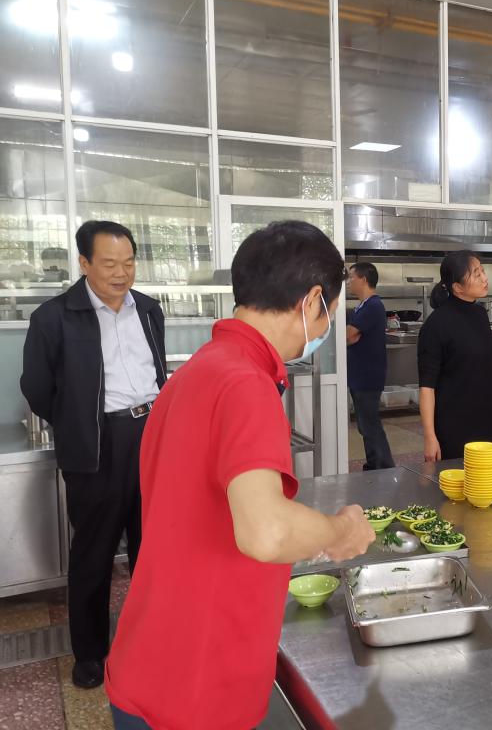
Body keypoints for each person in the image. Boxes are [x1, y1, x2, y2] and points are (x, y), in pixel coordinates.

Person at [104, 221, 376, 729]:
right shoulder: (246, 383)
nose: (323, 331)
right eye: (329, 314)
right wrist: (339, 531)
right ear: (311, 301)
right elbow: (267, 532)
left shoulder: (198, 370)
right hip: (196, 688)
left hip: (151, 659)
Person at [21, 220, 166, 691]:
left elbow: (158, 370)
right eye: (109, 264)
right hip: (96, 444)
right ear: (84, 264)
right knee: (94, 553)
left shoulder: (149, 310)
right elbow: (37, 389)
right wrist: (79, 423)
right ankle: (90, 653)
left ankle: (154, 637)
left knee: (154, 548)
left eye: (129, 263)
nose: (121, 273)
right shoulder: (54, 317)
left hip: (151, 435)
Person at [418, 251, 492, 460]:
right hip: (453, 425)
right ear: (457, 287)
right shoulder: (436, 325)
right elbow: (427, 386)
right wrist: (429, 436)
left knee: (484, 477)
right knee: (454, 478)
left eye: (483, 271)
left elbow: (476, 360)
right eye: (477, 274)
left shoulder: (480, 314)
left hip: (486, 419)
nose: (485, 278)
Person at [346, 261, 395, 470]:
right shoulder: (362, 306)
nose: (349, 282)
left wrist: (352, 335)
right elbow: (351, 336)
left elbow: (349, 335)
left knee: (370, 424)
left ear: (363, 280)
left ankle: (383, 466)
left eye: (352, 278)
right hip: (359, 375)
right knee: (365, 425)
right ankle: (374, 463)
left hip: (368, 376)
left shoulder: (373, 306)